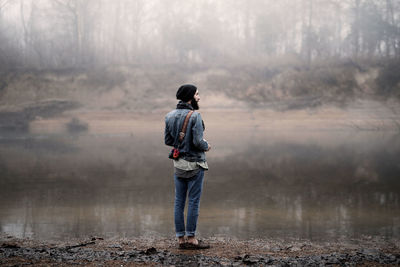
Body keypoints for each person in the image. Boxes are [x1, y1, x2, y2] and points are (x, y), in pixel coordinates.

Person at [164, 84, 211, 250]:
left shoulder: (169, 116)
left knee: (178, 202)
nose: (199, 97)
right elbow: (198, 142)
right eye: (197, 94)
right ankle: (191, 239)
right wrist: (207, 145)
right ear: (191, 96)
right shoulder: (195, 116)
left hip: (179, 165)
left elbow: (168, 141)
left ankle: (180, 240)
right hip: (195, 164)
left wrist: (181, 142)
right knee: (193, 202)